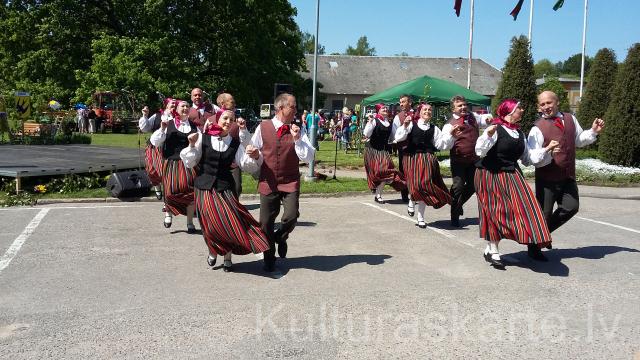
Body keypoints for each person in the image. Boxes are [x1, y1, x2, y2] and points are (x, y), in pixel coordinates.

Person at [181, 109, 269, 272]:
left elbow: (246, 164)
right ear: (217, 119)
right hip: (204, 187)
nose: (228, 121)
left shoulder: (234, 143)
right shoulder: (203, 137)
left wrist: (256, 156)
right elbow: (190, 162)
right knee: (210, 225)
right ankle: (213, 251)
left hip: (224, 188)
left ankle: (227, 257)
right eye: (225, 118)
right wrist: (191, 145)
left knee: (228, 223)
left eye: (232, 119)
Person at [475, 99, 558, 267]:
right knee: (495, 211)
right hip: (489, 173)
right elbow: (479, 151)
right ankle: (494, 250)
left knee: (528, 208)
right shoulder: (496, 129)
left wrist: (547, 149)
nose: (522, 109)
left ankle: (530, 242)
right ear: (510, 111)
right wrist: (489, 135)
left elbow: (528, 159)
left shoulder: (519, 133)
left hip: (511, 174)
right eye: (519, 107)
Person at [248, 93, 315, 274]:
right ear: (280, 108)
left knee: (291, 216)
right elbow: (256, 153)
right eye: (293, 107)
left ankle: (281, 236)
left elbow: (308, 157)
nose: (296, 111)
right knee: (266, 222)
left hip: (290, 180)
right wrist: (254, 154)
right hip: (268, 181)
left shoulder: (298, 129)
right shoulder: (263, 127)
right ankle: (269, 259)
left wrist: (298, 139)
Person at [528, 91, 604, 246]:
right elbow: (533, 157)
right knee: (544, 214)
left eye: (549, 103)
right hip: (547, 178)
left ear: (557, 102)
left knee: (571, 207)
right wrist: (546, 151)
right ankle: (534, 247)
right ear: (538, 106)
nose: (546, 107)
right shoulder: (537, 128)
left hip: (567, 175)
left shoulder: (570, 118)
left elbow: (578, 140)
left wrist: (593, 131)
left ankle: (542, 235)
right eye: (542, 104)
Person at [394, 103, 455, 228]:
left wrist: (452, 136)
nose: (427, 111)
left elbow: (441, 145)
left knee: (425, 186)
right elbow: (398, 137)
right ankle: (412, 200)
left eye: (429, 110)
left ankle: (420, 217)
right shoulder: (411, 124)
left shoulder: (434, 128)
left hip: (427, 158)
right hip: (412, 158)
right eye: (425, 109)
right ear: (419, 112)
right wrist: (405, 125)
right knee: (415, 184)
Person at [442, 95, 493, 227]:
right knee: (458, 187)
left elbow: (484, 119)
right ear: (453, 109)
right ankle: (454, 215)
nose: (463, 107)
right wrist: (452, 136)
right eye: (460, 106)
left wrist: (488, 119)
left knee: (473, 185)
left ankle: (458, 204)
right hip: (458, 160)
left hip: (474, 160)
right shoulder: (449, 124)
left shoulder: (473, 117)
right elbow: (444, 145)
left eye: (464, 104)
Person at [150, 100, 198, 232]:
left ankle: (189, 223)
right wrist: (162, 128)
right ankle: (168, 213)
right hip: (171, 163)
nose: (185, 108)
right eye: (182, 106)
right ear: (176, 109)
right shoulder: (168, 124)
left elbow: (199, 147)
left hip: (187, 164)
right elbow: (155, 141)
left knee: (190, 192)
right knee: (170, 192)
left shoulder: (194, 126)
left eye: (187, 106)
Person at [207, 93, 251, 197]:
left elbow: (247, 142)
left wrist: (243, 129)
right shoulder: (210, 120)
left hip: (233, 161)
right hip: (214, 162)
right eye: (232, 101)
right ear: (222, 104)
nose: (235, 103)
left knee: (236, 188)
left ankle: (233, 208)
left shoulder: (238, 120)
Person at [363, 103, 406, 204]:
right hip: (372, 150)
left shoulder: (389, 123)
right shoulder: (374, 121)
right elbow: (366, 134)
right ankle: (377, 193)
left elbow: (393, 137)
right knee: (380, 172)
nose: (385, 109)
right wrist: (370, 122)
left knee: (386, 172)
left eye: (386, 108)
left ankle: (378, 194)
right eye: (383, 108)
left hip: (383, 151)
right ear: (378, 111)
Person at [139, 99, 177, 200]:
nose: (174, 105)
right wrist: (145, 116)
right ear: (166, 105)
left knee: (166, 171)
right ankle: (157, 186)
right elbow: (145, 129)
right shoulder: (157, 116)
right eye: (172, 103)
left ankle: (168, 193)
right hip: (154, 147)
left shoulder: (178, 117)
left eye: (175, 104)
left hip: (170, 147)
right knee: (153, 170)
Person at [391, 94, 415, 205]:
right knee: (404, 171)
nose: (401, 104)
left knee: (415, 172)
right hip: (404, 149)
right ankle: (405, 195)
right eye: (400, 102)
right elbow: (395, 134)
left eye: (403, 102)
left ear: (410, 102)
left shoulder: (418, 114)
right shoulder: (398, 117)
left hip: (416, 148)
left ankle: (415, 194)